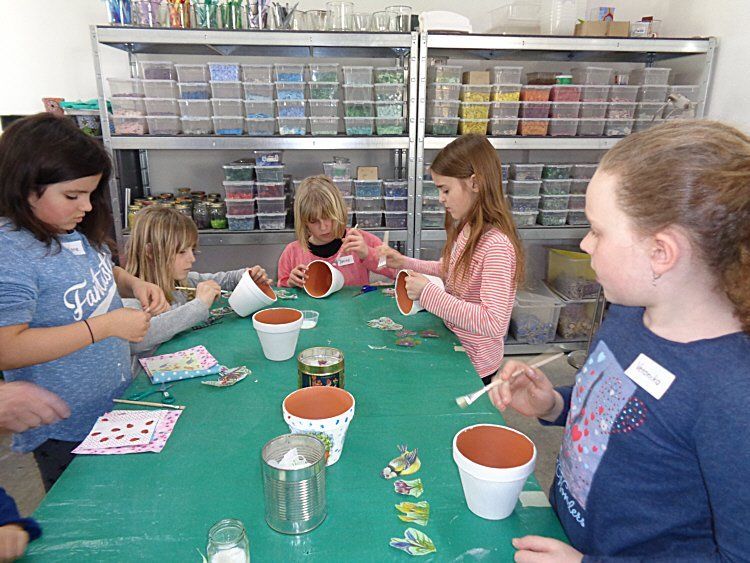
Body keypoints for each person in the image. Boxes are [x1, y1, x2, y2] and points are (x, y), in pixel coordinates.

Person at [489, 121, 750, 561]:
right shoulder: (628, 314)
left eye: (598, 230)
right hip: (567, 533)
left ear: (661, 253)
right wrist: (554, 404)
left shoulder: (732, 398)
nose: (585, 244)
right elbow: (620, 414)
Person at [0, 113, 169, 491]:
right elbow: (6, 347)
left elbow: (101, 270)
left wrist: (133, 283)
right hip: (64, 427)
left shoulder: (71, 231)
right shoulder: (11, 252)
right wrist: (104, 327)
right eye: (72, 196)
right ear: (25, 186)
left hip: (113, 406)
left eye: (91, 195)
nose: (87, 207)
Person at [379, 135, 524, 384]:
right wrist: (404, 262)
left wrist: (428, 294)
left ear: (475, 183)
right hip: (455, 345)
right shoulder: (469, 228)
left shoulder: (496, 246)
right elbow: (450, 269)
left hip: (475, 365)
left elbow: (494, 322)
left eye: (446, 190)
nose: (441, 198)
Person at [122, 205, 270, 372]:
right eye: (181, 251)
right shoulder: (129, 300)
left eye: (192, 250)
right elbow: (139, 339)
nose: (192, 259)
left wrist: (247, 275)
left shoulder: (182, 282)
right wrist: (198, 305)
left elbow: (225, 280)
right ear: (150, 252)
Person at [277, 175, 396, 288]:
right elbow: (282, 292)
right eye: (314, 221)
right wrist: (290, 284)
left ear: (340, 211)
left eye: (328, 217)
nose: (323, 227)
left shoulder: (360, 240)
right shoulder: (292, 253)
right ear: (304, 222)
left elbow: (398, 270)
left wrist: (367, 254)